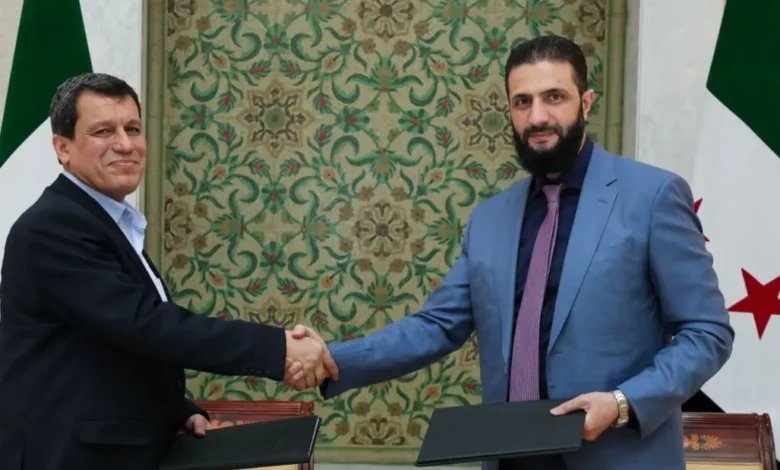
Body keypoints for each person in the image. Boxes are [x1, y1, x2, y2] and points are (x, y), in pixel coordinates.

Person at [287, 35, 734, 470]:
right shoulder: (490, 219)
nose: (537, 116)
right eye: (522, 102)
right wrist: (331, 360)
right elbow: (436, 326)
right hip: (510, 457)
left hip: (615, 454)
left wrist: (621, 403)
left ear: (586, 103)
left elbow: (707, 332)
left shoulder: (652, 196)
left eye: (554, 96)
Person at [0, 73, 337, 470]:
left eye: (133, 129)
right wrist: (278, 349)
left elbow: (114, 349)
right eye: (104, 131)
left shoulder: (104, 220)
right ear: (63, 147)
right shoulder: (54, 227)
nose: (125, 144)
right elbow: (147, 324)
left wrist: (176, 410)